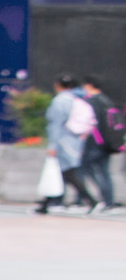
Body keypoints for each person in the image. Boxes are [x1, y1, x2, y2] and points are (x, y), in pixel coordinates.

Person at [45, 76, 99, 214]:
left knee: (66, 173)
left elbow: (56, 125)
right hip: (76, 140)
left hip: (63, 141)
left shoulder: (59, 101)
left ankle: (89, 200)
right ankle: (47, 203)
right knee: (65, 173)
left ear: (58, 85)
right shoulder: (78, 99)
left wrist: (52, 145)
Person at [85, 79, 122, 211]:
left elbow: (93, 124)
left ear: (89, 85)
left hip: (96, 143)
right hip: (109, 143)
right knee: (105, 172)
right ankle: (108, 200)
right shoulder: (107, 101)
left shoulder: (91, 102)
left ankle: (101, 199)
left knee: (86, 169)